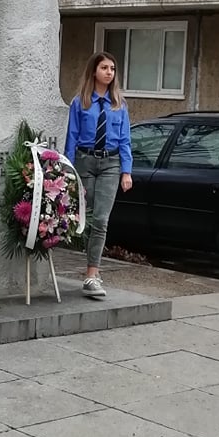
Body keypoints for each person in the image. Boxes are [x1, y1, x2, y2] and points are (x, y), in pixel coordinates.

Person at [65, 52, 133, 298]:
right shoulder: (80, 102)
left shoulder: (119, 104)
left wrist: (126, 171)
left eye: (112, 69)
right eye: (104, 68)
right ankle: (90, 266)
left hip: (110, 164)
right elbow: (72, 136)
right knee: (89, 218)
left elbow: (125, 139)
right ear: (94, 71)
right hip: (85, 161)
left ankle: (92, 274)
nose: (109, 72)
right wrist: (68, 169)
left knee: (102, 219)